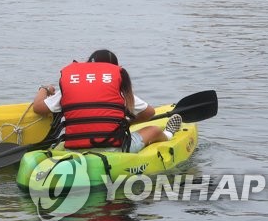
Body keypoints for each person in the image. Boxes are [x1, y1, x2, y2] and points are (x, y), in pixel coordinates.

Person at [31, 49, 181, 152]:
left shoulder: (71, 84)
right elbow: (149, 113)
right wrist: (126, 123)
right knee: (153, 130)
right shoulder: (117, 86)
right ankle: (168, 135)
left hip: (74, 146)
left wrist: (44, 89)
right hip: (114, 148)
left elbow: (38, 108)